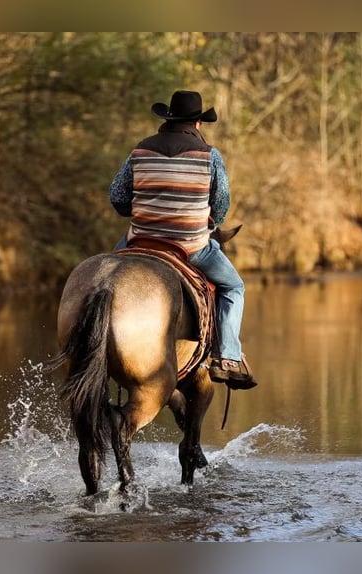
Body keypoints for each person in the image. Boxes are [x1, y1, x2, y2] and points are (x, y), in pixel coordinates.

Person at [109, 90, 256, 390]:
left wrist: (142, 212)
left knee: (106, 276)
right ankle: (227, 357)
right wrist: (210, 221)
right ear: (198, 123)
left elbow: (117, 196)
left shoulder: (139, 150)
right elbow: (222, 203)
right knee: (233, 286)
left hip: (140, 242)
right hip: (190, 246)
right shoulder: (210, 155)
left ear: (168, 119)